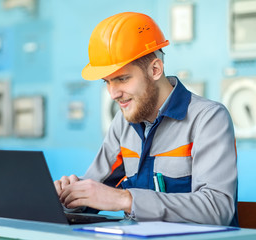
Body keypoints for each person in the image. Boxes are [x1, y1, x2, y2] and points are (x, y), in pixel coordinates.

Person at [54, 12, 238, 226]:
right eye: (107, 82)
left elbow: (217, 209)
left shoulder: (208, 119)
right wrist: (70, 196)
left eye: (122, 79)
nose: (113, 93)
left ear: (155, 69)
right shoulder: (123, 124)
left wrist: (126, 200)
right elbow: (95, 192)